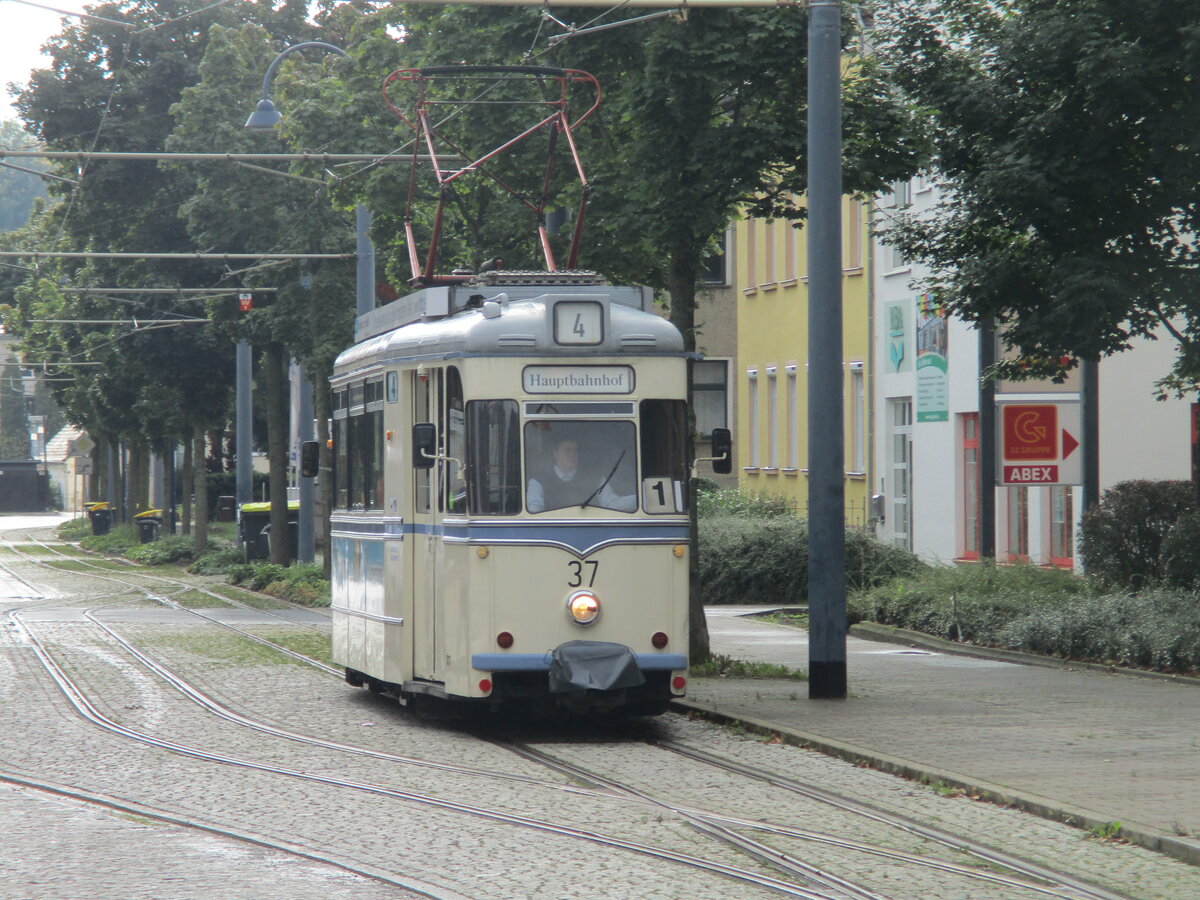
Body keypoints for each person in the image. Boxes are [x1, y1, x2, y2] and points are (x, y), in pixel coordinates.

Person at [527, 437, 636, 513]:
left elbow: (611, 504)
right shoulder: (538, 480)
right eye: (567, 451)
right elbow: (534, 510)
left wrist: (643, 498)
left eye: (575, 451)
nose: (572, 455)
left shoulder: (595, 478)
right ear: (555, 454)